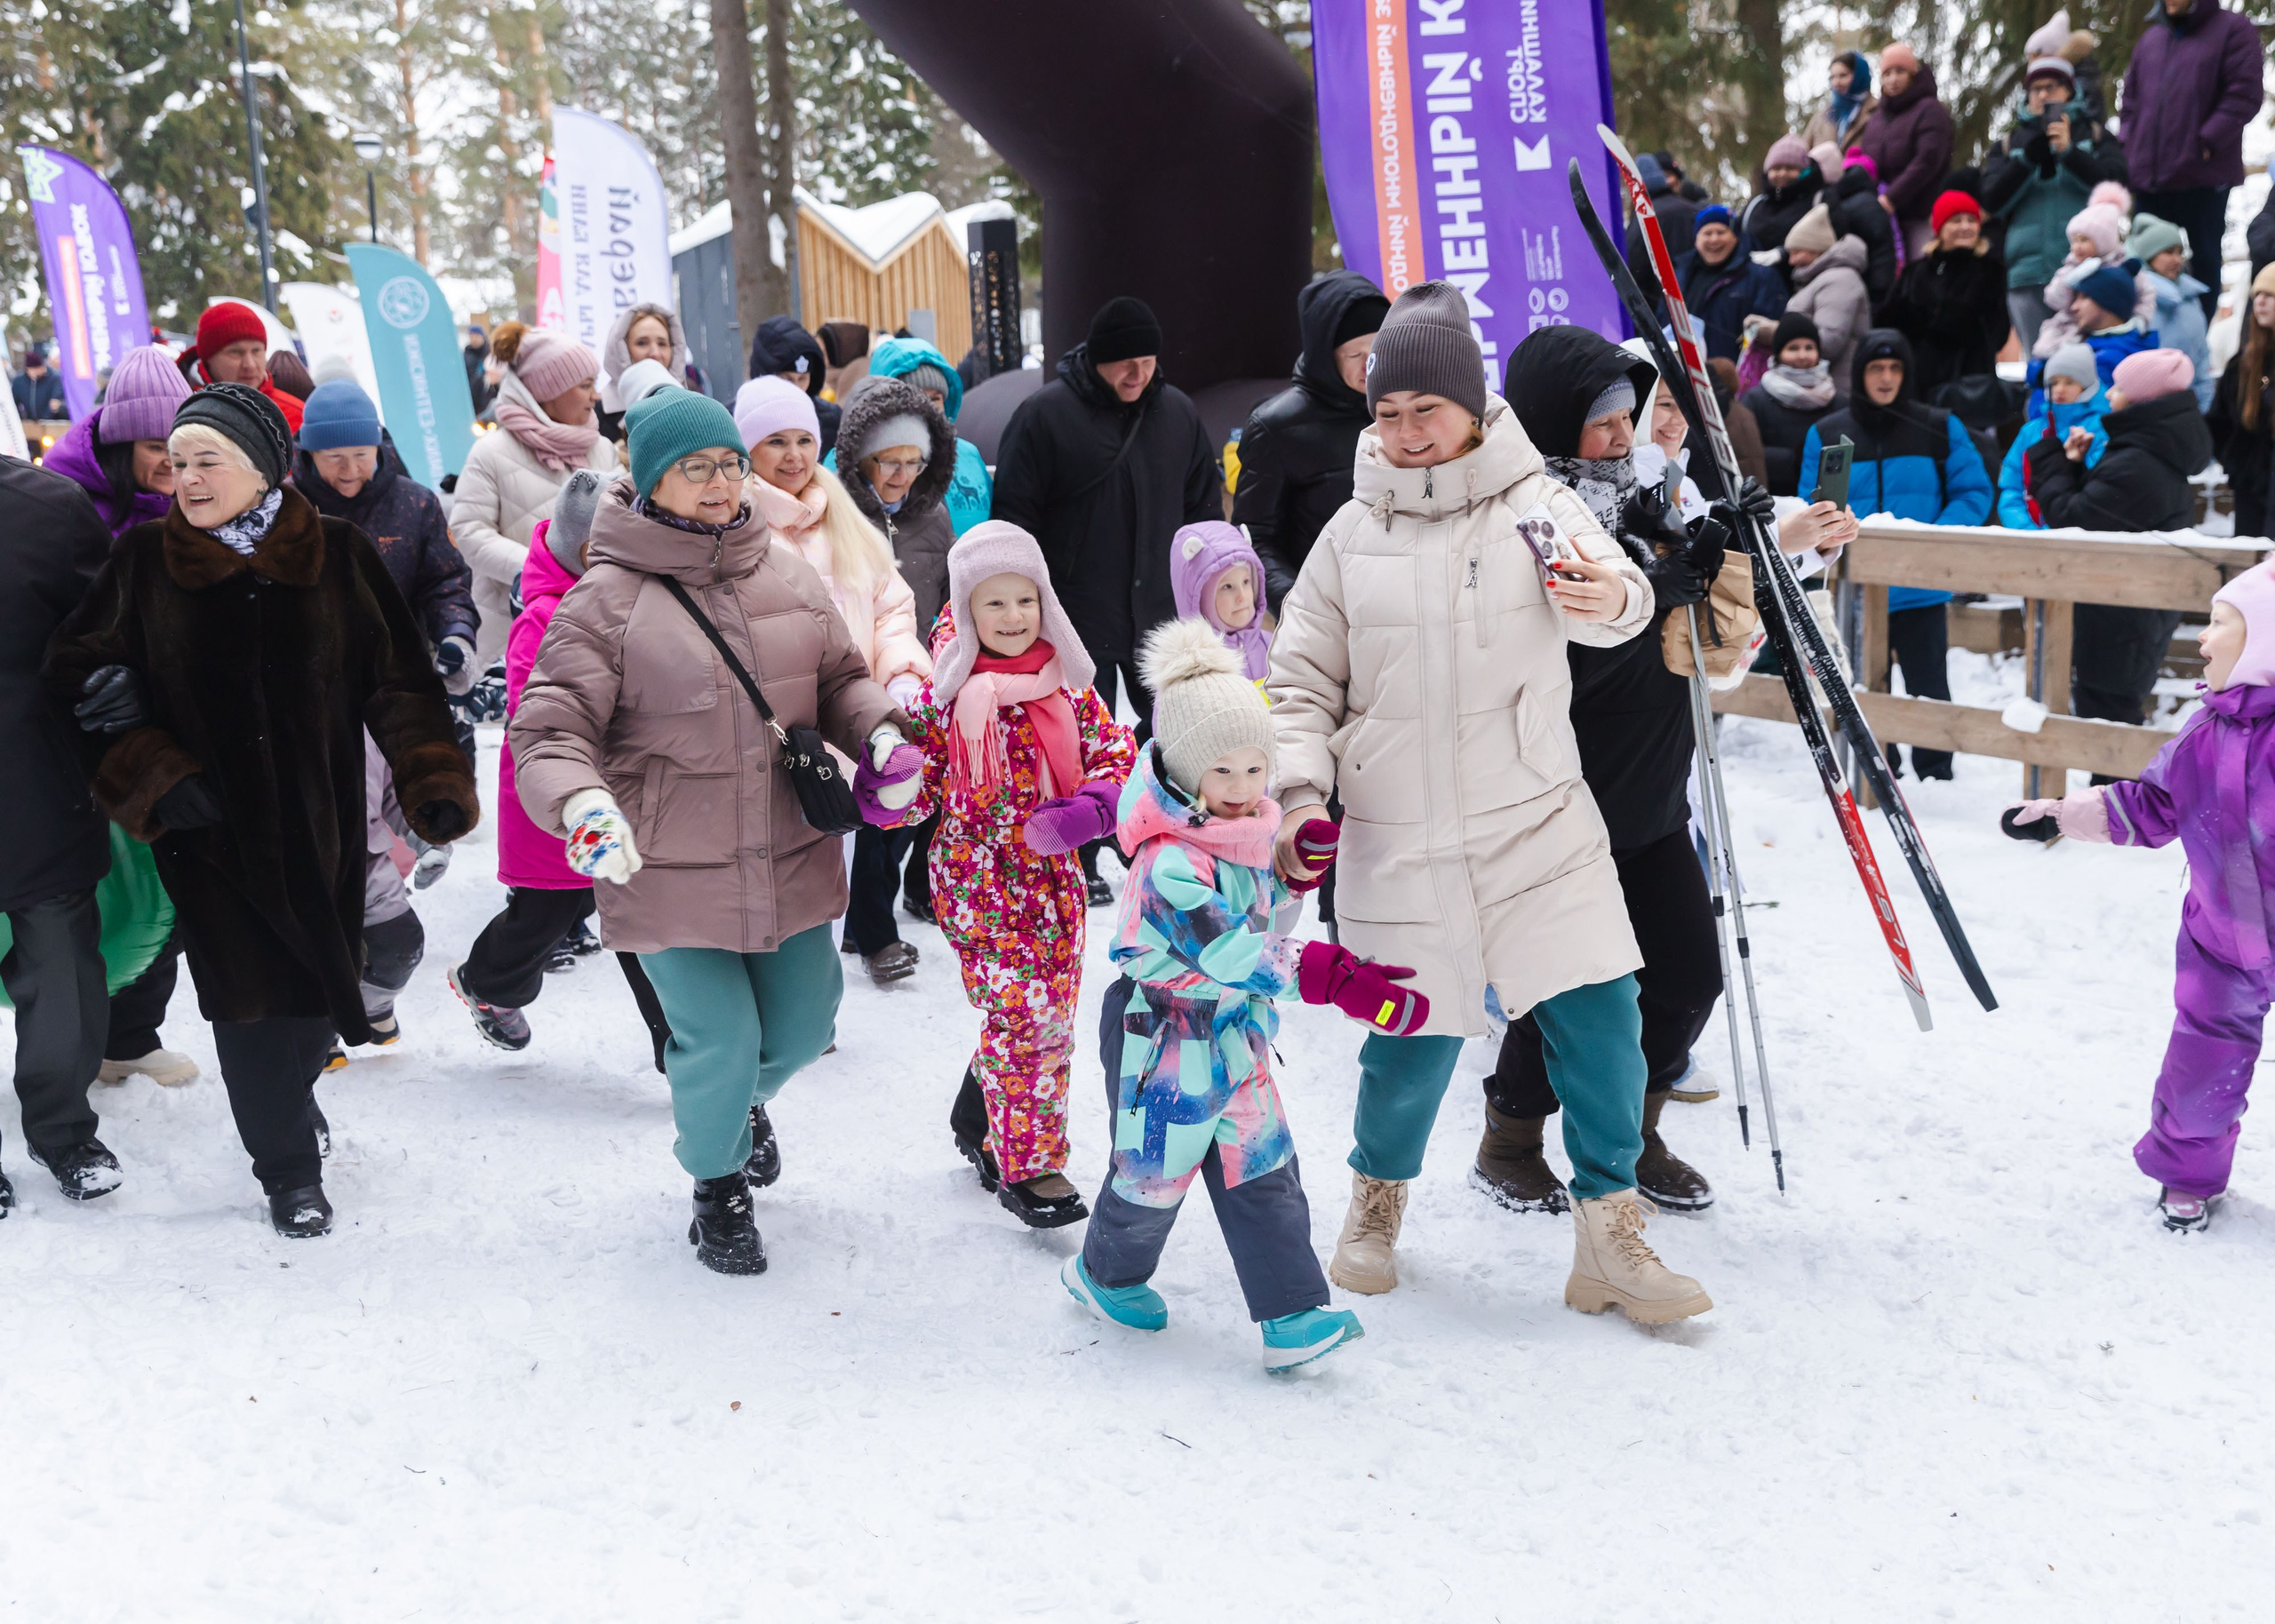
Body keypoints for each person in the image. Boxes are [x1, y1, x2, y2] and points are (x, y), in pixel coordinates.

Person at [1268, 281, 1709, 1324]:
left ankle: (1608, 1234)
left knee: (1604, 1015)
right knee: (1408, 1039)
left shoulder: (1536, 506)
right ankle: (1375, 1202)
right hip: (1397, 828)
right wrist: (1298, 794)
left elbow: (1619, 597)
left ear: (1471, 410)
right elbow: (1298, 686)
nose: (1409, 432)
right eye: (1389, 412)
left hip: (1533, 818)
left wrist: (1613, 598)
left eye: (1429, 409)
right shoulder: (1345, 536)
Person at [46, 383, 477, 1238]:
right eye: (178, 464)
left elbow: (398, 677)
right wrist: (153, 772)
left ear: (266, 470)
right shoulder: (142, 566)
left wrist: (430, 777)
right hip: (207, 832)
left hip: (325, 823)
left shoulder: (340, 556)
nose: (189, 479)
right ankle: (287, 1173)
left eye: (209, 462)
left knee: (317, 991)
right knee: (245, 1003)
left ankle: (290, 1099)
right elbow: (73, 675)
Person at [509, 389, 910, 1275]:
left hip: (788, 854)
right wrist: (582, 805)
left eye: (730, 463)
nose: (721, 482)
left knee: (804, 1027)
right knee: (719, 1042)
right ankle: (717, 1184)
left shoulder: (784, 572)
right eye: (697, 468)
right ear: (650, 481)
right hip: (662, 867)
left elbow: (842, 677)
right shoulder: (603, 602)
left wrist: (878, 729)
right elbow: (547, 731)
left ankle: (728, 1110)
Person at [1478, 326, 1737, 1217]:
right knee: (1560, 985)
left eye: (1628, 417)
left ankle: (1637, 1123)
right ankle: (1509, 1137)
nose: (1622, 436)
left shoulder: (1645, 498)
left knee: (1687, 975)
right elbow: (1578, 644)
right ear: (1554, 423)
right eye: (1601, 424)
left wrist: (1722, 555)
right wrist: (1664, 583)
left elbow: (1693, 630)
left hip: (1654, 789)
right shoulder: (1525, 516)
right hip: (1567, 793)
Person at [1063, 617, 1369, 1372]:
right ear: (1182, 774)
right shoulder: (1168, 861)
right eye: (1220, 774)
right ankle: (1105, 1274)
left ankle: (1294, 1314)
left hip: (1232, 1030)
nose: (1241, 791)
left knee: (1260, 1164)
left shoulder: (1245, 831)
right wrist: (1328, 975)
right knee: (1153, 1180)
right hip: (1160, 1035)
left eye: (1253, 770)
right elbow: (1231, 948)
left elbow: (1255, 901)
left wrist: (1293, 867)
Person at [874, 524, 1138, 1229]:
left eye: (1025, 600)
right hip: (978, 882)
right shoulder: (942, 702)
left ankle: (977, 1112)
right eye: (995, 604)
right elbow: (916, 795)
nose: (1014, 617)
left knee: (1034, 1016)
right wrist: (885, 789)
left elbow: (1118, 759)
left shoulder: (1072, 690)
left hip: (1055, 885)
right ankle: (1028, 1165)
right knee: (1029, 1020)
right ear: (964, 613)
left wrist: (1089, 814)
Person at [2003, 561, 2275, 1232]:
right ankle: (2186, 1175)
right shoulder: (2204, 734)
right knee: (2202, 1063)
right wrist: (2061, 814)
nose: (2204, 640)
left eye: (2220, 625)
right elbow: (2149, 805)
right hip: (2222, 938)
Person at [450, 474, 679, 1090]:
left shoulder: (630, 600)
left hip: (623, 797)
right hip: (557, 807)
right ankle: (487, 981)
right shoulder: (545, 617)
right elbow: (539, 711)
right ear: (590, 555)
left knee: (640, 925)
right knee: (544, 914)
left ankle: (682, 1049)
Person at [990, 295, 1221, 899]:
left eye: (1146, 361)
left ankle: (1162, 844)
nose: (1136, 375)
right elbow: (1012, 522)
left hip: (1160, 618)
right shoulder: (1044, 416)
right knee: (1072, 742)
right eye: (1123, 363)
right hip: (1075, 615)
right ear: (1095, 359)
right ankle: (1082, 859)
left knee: (1169, 737)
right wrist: (1027, 614)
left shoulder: (1176, 413)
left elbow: (1202, 510)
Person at [741, 374, 932, 987]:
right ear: (747, 449)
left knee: (854, 853)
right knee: (788, 870)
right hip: (778, 733)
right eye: (776, 441)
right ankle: (787, 997)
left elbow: (891, 606)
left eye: (804, 439)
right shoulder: (739, 526)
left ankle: (840, 967)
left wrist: (901, 677)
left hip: (856, 719)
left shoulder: (845, 515)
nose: (794, 456)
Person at [1, 455, 124, 1209]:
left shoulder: (48, 508)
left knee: (63, 976)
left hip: (34, 782)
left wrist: (122, 683)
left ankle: (65, 1132)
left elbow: (106, 632)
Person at [1799, 331, 1992, 779]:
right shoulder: (1828, 432)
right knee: (1866, 684)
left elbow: (1973, 491)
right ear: (1860, 373)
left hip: (1922, 587)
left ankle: (1936, 773)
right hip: (1858, 589)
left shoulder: (1940, 425)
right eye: (1875, 368)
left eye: (1895, 369)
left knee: (1928, 686)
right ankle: (1879, 771)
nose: (1886, 378)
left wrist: (1928, 541)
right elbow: (1812, 502)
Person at [832, 373, 961, 937]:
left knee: (927, 790)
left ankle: (916, 888)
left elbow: (952, 590)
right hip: (857, 674)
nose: (900, 475)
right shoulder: (839, 512)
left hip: (924, 671)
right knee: (880, 807)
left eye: (913, 461)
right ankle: (870, 925)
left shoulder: (932, 514)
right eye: (887, 460)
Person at [2024, 349, 2209, 729]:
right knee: (2108, 714)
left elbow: (2074, 520)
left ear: (2142, 399)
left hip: (2122, 617)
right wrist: (2073, 468)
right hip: (2127, 613)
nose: (2109, 394)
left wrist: (2050, 461)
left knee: (2109, 722)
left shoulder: (2139, 461)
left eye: (2120, 388)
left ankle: (2112, 791)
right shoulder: (2146, 449)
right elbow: (2098, 515)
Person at [451, 325, 616, 670]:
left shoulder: (600, 448)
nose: (595, 397)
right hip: (512, 631)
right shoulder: (491, 452)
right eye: (585, 385)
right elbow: (468, 530)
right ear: (547, 392)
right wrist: (537, 570)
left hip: (598, 626)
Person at [1232, 270, 1389, 612]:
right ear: (1325, 355)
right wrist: (1297, 605)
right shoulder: (1276, 427)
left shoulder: (1403, 410)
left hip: (1404, 611)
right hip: (1325, 618)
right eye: (1354, 356)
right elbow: (1254, 537)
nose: (1370, 365)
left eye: (1378, 350)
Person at [2120, 0, 2263, 319]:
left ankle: (2195, 339)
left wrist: (2208, 140)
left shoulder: (2233, 30)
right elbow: (2130, 101)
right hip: (2150, 181)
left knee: (2205, 264)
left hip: (2203, 175)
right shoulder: (2151, 40)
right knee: (2141, 263)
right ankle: (2146, 339)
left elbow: (2244, 93)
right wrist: (2128, 145)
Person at [1983, 54, 2128, 353]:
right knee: (2038, 366)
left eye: (2051, 87)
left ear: (2069, 91)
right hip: (2027, 274)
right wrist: (2026, 162)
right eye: (2035, 89)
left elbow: (2117, 187)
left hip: (2087, 273)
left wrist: (2069, 153)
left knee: (2088, 363)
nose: (2043, 95)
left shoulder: (2096, 135)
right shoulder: (2010, 143)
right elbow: (1990, 202)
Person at [861, 334, 995, 537]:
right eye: (915, 397)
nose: (927, 408)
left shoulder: (968, 455)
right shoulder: (856, 459)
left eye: (935, 398)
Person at [1884, 191, 2014, 396]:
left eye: (1971, 220)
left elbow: (1998, 334)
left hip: (1969, 389)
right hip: (1918, 384)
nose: (1965, 227)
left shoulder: (1990, 271)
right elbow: (1889, 322)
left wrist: (1934, 319)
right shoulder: (1915, 272)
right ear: (1939, 228)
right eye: (1956, 220)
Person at [1858, 44, 1955, 258]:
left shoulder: (1930, 110)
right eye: (1887, 73)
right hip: (1885, 218)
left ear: (1912, 74)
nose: (1893, 79)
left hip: (1921, 214)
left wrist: (1892, 198)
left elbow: (1927, 161)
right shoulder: (1876, 119)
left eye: (1900, 72)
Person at [1998, 343, 2109, 529]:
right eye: (2054, 383)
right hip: (2030, 538)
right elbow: (2011, 486)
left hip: (2079, 536)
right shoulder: (2031, 431)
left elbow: (2096, 487)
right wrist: (2025, 530)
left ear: (2088, 386)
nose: (2059, 390)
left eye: (2069, 382)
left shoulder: (2100, 429)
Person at [2032, 203, 2153, 362]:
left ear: (2103, 240)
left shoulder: (2120, 264)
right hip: (2072, 324)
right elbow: (2053, 299)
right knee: (2045, 349)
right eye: (2074, 241)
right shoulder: (2071, 267)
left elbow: (2146, 293)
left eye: (2084, 240)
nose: (2077, 247)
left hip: (2113, 330)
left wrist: (2140, 319)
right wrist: (2070, 281)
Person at [1743, 314, 1843, 496]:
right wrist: (1792, 460)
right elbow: (1745, 453)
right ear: (1778, 354)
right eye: (1793, 348)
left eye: (1809, 347)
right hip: (1774, 500)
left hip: (1828, 500)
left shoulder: (1839, 401)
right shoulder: (1756, 400)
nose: (1802, 355)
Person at [1676, 204, 1787, 363]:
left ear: (1735, 237)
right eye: (1707, 233)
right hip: (1685, 370)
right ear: (1696, 240)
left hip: (1738, 375)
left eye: (1721, 232)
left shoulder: (1761, 276)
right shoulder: (1679, 276)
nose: (1714, 239)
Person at [2211, 265, 2275, 537]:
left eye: (2270, 295)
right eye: (2256, 294)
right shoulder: (2243, 365)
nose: (2260, 301)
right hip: (2252, 489)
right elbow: (2219, 421)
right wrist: (2239, 463)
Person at [1169, 520, 1269, 690]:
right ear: (1199, 598)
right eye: (1227, 587)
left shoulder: (1275, 647)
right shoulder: (1187, 672)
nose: (1242, 596)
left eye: (1246, 582)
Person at [2130, 213, 2215, 410]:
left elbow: (2202, 354)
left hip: (2193, 406)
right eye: (2168, 252)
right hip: (2154, 409)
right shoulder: (2137, 299)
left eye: (2180, 252)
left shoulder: (2191, 297)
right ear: (2149, 256)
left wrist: (2206, 400)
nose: (2177, 259)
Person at [1781, 204, 1871, 390]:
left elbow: (1829, 341)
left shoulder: (1840, 280)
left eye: (1797, 252)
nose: (1791, 261)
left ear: (1817, 249)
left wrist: (1775, 335)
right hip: (1820, 390)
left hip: (1835, 391)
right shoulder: (1820, 279)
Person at [180, 303, 302, 431]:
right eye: (236, 352)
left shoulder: (296, 417)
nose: (250, 364)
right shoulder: (178, 412)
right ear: (208, 359)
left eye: (256, 351)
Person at [2051, 260, 2162, 393]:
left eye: (2084, 297)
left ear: (2108, 303)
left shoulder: (2106, 359)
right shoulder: (2096, 347)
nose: (2074, 307)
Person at [1811, 145, 1900, 308]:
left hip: (1863, 298)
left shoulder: (1863, 204)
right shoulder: (1825, 199)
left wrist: (1876, 300)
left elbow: (1882, 255)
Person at [595, 303, 692, 442]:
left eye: (662, 344)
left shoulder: (690, 407)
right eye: (642, 343)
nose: (655, 353)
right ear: (621, 350)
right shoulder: (595, 414)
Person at [747, 315, 839, 453]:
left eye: (802, 378)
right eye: (787, 379)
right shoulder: (738, 418)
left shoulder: (831, 419)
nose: (796, 388)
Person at [1738, 135, 1825, 255]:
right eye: (1776, 168)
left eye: (1790, 168)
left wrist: (1783, 255)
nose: (1782, 173)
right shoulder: (1754, 205)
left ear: (1804, 171)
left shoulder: (1818, 201)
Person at [1626, 154, 1702, 287]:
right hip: (1695, 295)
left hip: (1658, 301)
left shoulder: (1644, 217)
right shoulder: (1691, 209)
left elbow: (1634, 266)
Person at [1803, 49, 1877, 155]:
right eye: (1832, 77)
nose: (1836, 83)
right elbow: (1803, 153)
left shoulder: (1876, 110)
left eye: (1843, 75)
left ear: (1859, 76)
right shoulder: (1823, 116)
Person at [11, 340, 68, 423]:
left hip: (52, 424)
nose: (36, 372)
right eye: (32, 370)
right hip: (31, 425)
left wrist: (59, 407)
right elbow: (13, 404)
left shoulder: (55, 379)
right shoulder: (19, 382)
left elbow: (64, 402)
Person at [463, 324, 491, 414]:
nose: (474, 339)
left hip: (486, 399)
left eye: (476, 336)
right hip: (470, 399)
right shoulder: (466, 355)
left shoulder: (489, 354)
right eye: (471, 337)